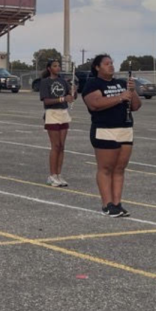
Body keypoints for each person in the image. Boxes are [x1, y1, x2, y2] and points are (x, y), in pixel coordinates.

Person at [82, 54, 139, 217]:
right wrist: (120, 97)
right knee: (106, 168)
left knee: (120, 168)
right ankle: (107, 204)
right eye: (107, 64)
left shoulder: (121, 83)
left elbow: (136, 106)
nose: (111, 66)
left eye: (112, 63)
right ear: (97, 67)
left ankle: (117, 203)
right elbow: (95, 104)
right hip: (105, 129)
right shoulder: (93, 84)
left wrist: (131, 91)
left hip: (125, 129)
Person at [39, 58, 76, 187]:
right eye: (55, 66)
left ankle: (59, 174)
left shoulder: (63, 81)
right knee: (55, 146)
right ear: (49, 68)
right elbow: (46, 101)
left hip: (63, 113)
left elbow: (71, 97)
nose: (58, 68)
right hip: (52, 114)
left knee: (62, 146)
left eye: (59, 66)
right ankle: (52, 175)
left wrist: (73, 91)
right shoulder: (45, 82)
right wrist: (62, 98)